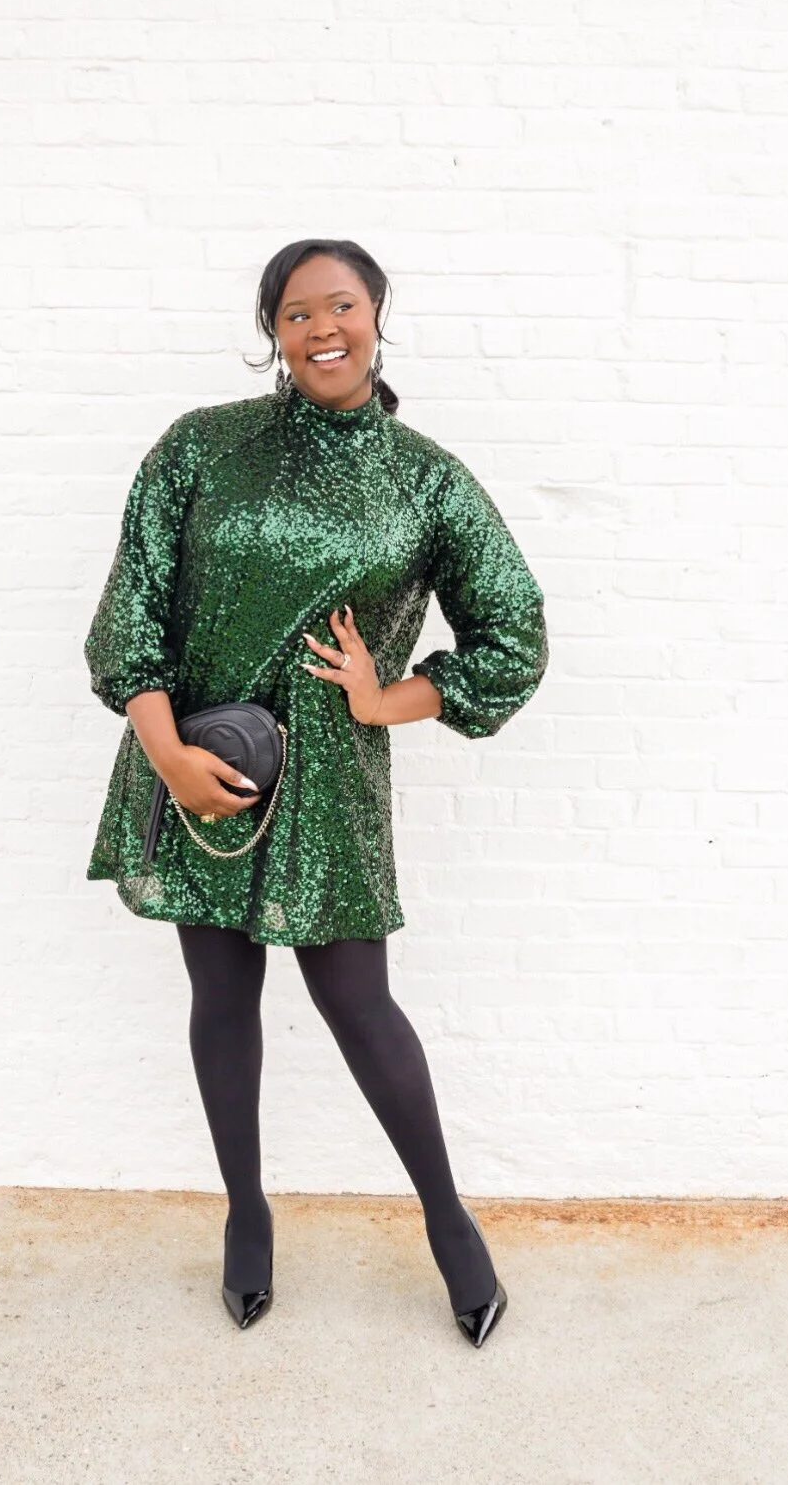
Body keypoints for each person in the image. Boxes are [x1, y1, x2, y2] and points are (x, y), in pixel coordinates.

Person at [84, 238, 548, 1346]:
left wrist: (386, 700)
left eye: (341, 305)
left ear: (377, 313)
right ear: (274, 333)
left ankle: (448, 1225)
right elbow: (130, 612)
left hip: (330, 783)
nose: (321, 328)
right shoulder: (201, 447)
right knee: (221, 996)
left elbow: (514, 637)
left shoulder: (427, 480)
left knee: (358, 1004)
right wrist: (168, 756)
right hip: (197, 762)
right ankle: (246, 1214)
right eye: (296, 313)